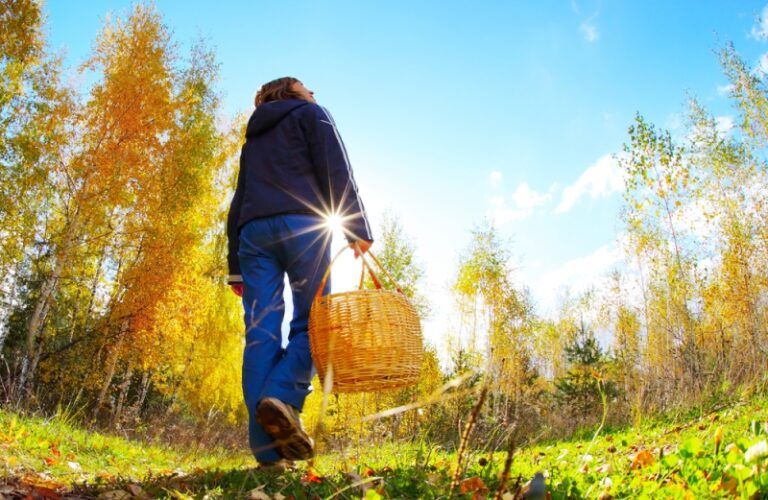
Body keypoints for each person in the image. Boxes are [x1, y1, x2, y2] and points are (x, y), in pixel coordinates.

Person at [226, 77, 373, 471]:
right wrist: (357, 227)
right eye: (308, 87)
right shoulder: (312, 114)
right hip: (303, 226)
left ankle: (269, 455)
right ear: (292, 91)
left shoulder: (253, 139)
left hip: (254, 236)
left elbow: (238, 200)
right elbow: (336, 168)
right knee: (315, 324)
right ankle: (281, 396)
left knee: (260, 335)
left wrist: (235, 267)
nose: (314, 93)